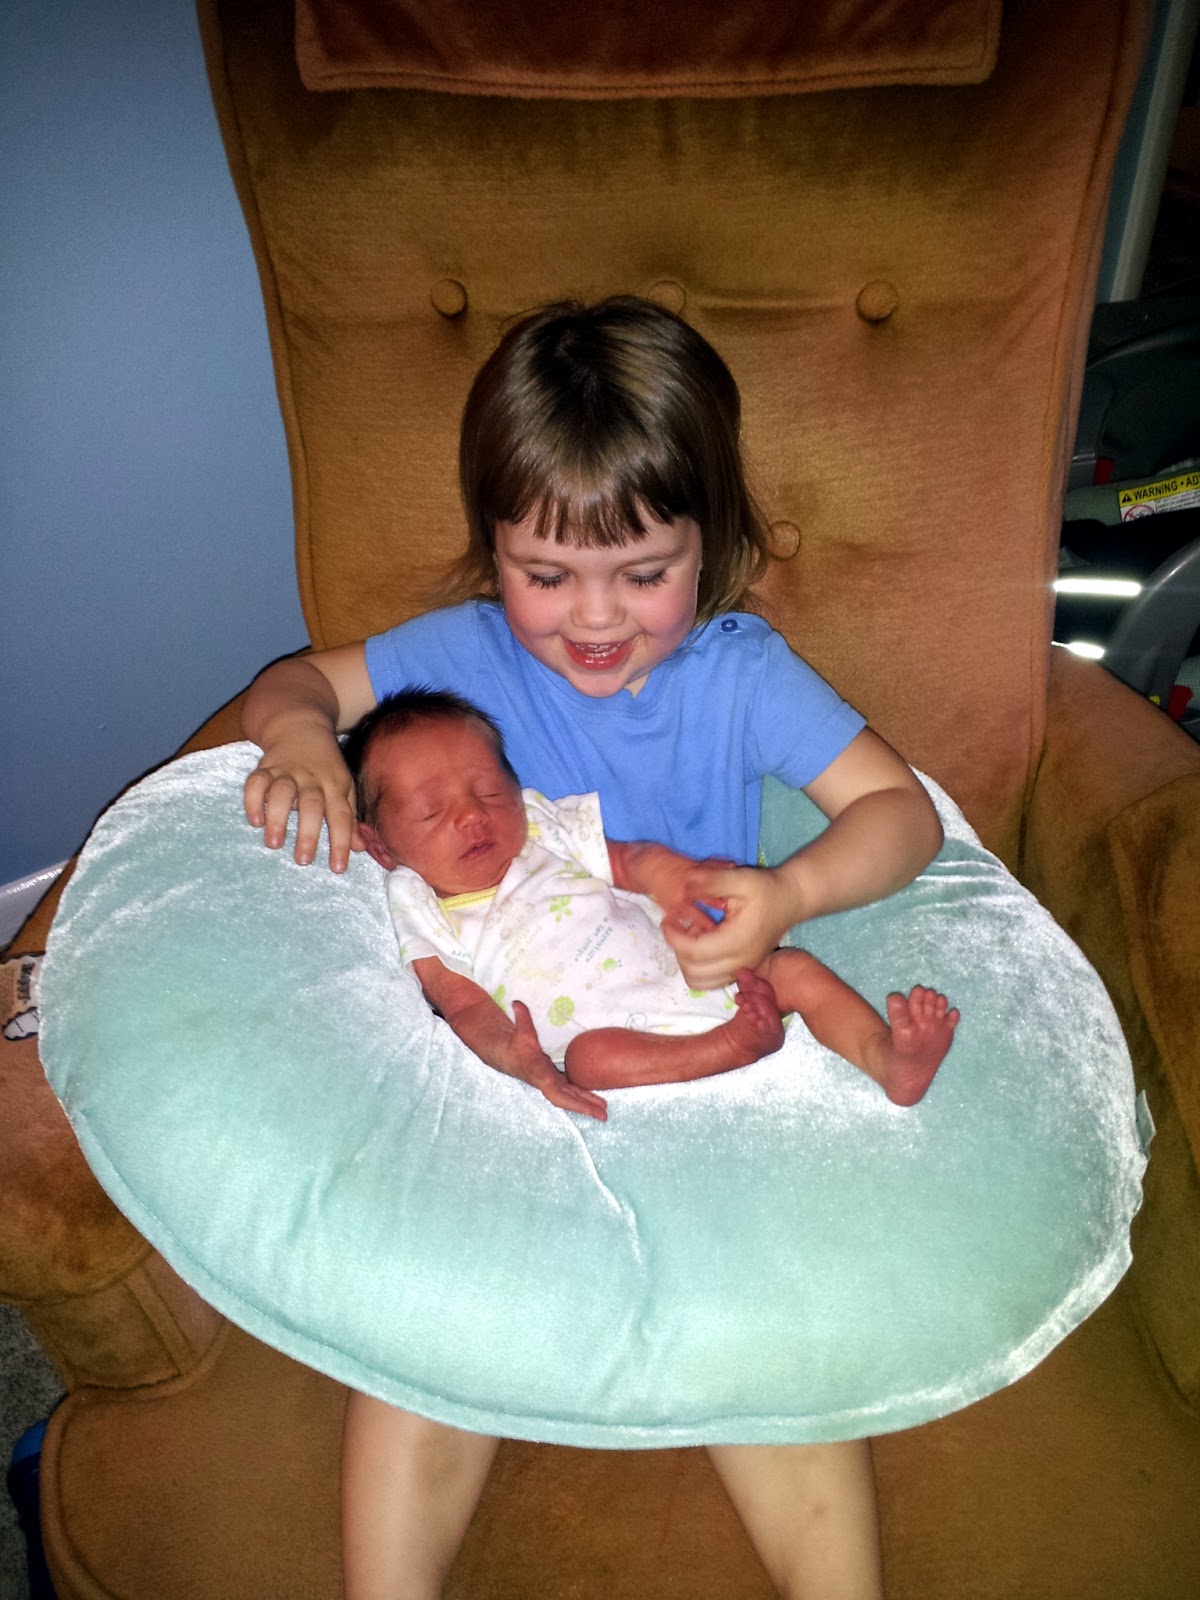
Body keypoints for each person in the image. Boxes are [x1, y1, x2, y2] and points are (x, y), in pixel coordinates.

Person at [242, 295, 949, 1599]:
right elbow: (296, 686)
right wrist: (298, 739)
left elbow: (902, 817)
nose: (595, 616)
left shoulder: (741, 673)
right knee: (426, 1324)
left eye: (645, 571)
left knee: (765, 1342)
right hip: (507, 1076)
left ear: (710, 539)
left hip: (698, 1056)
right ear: (492, 549)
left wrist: (787, 893)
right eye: (545, 574)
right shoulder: (458, 658)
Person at [344, 687, 958, 1122]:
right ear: (380, 844)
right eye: (432, 811)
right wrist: (515, 1055)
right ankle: (729, 1047)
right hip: (615, 1040)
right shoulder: (417, 901)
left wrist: (678, 876)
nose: (473, 816)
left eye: (487, 791)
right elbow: (461, 1003)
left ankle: (887, 1059)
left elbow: (630, 861)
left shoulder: (540, 827)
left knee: (791, 969)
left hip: (701, 982)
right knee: (590, 1060)